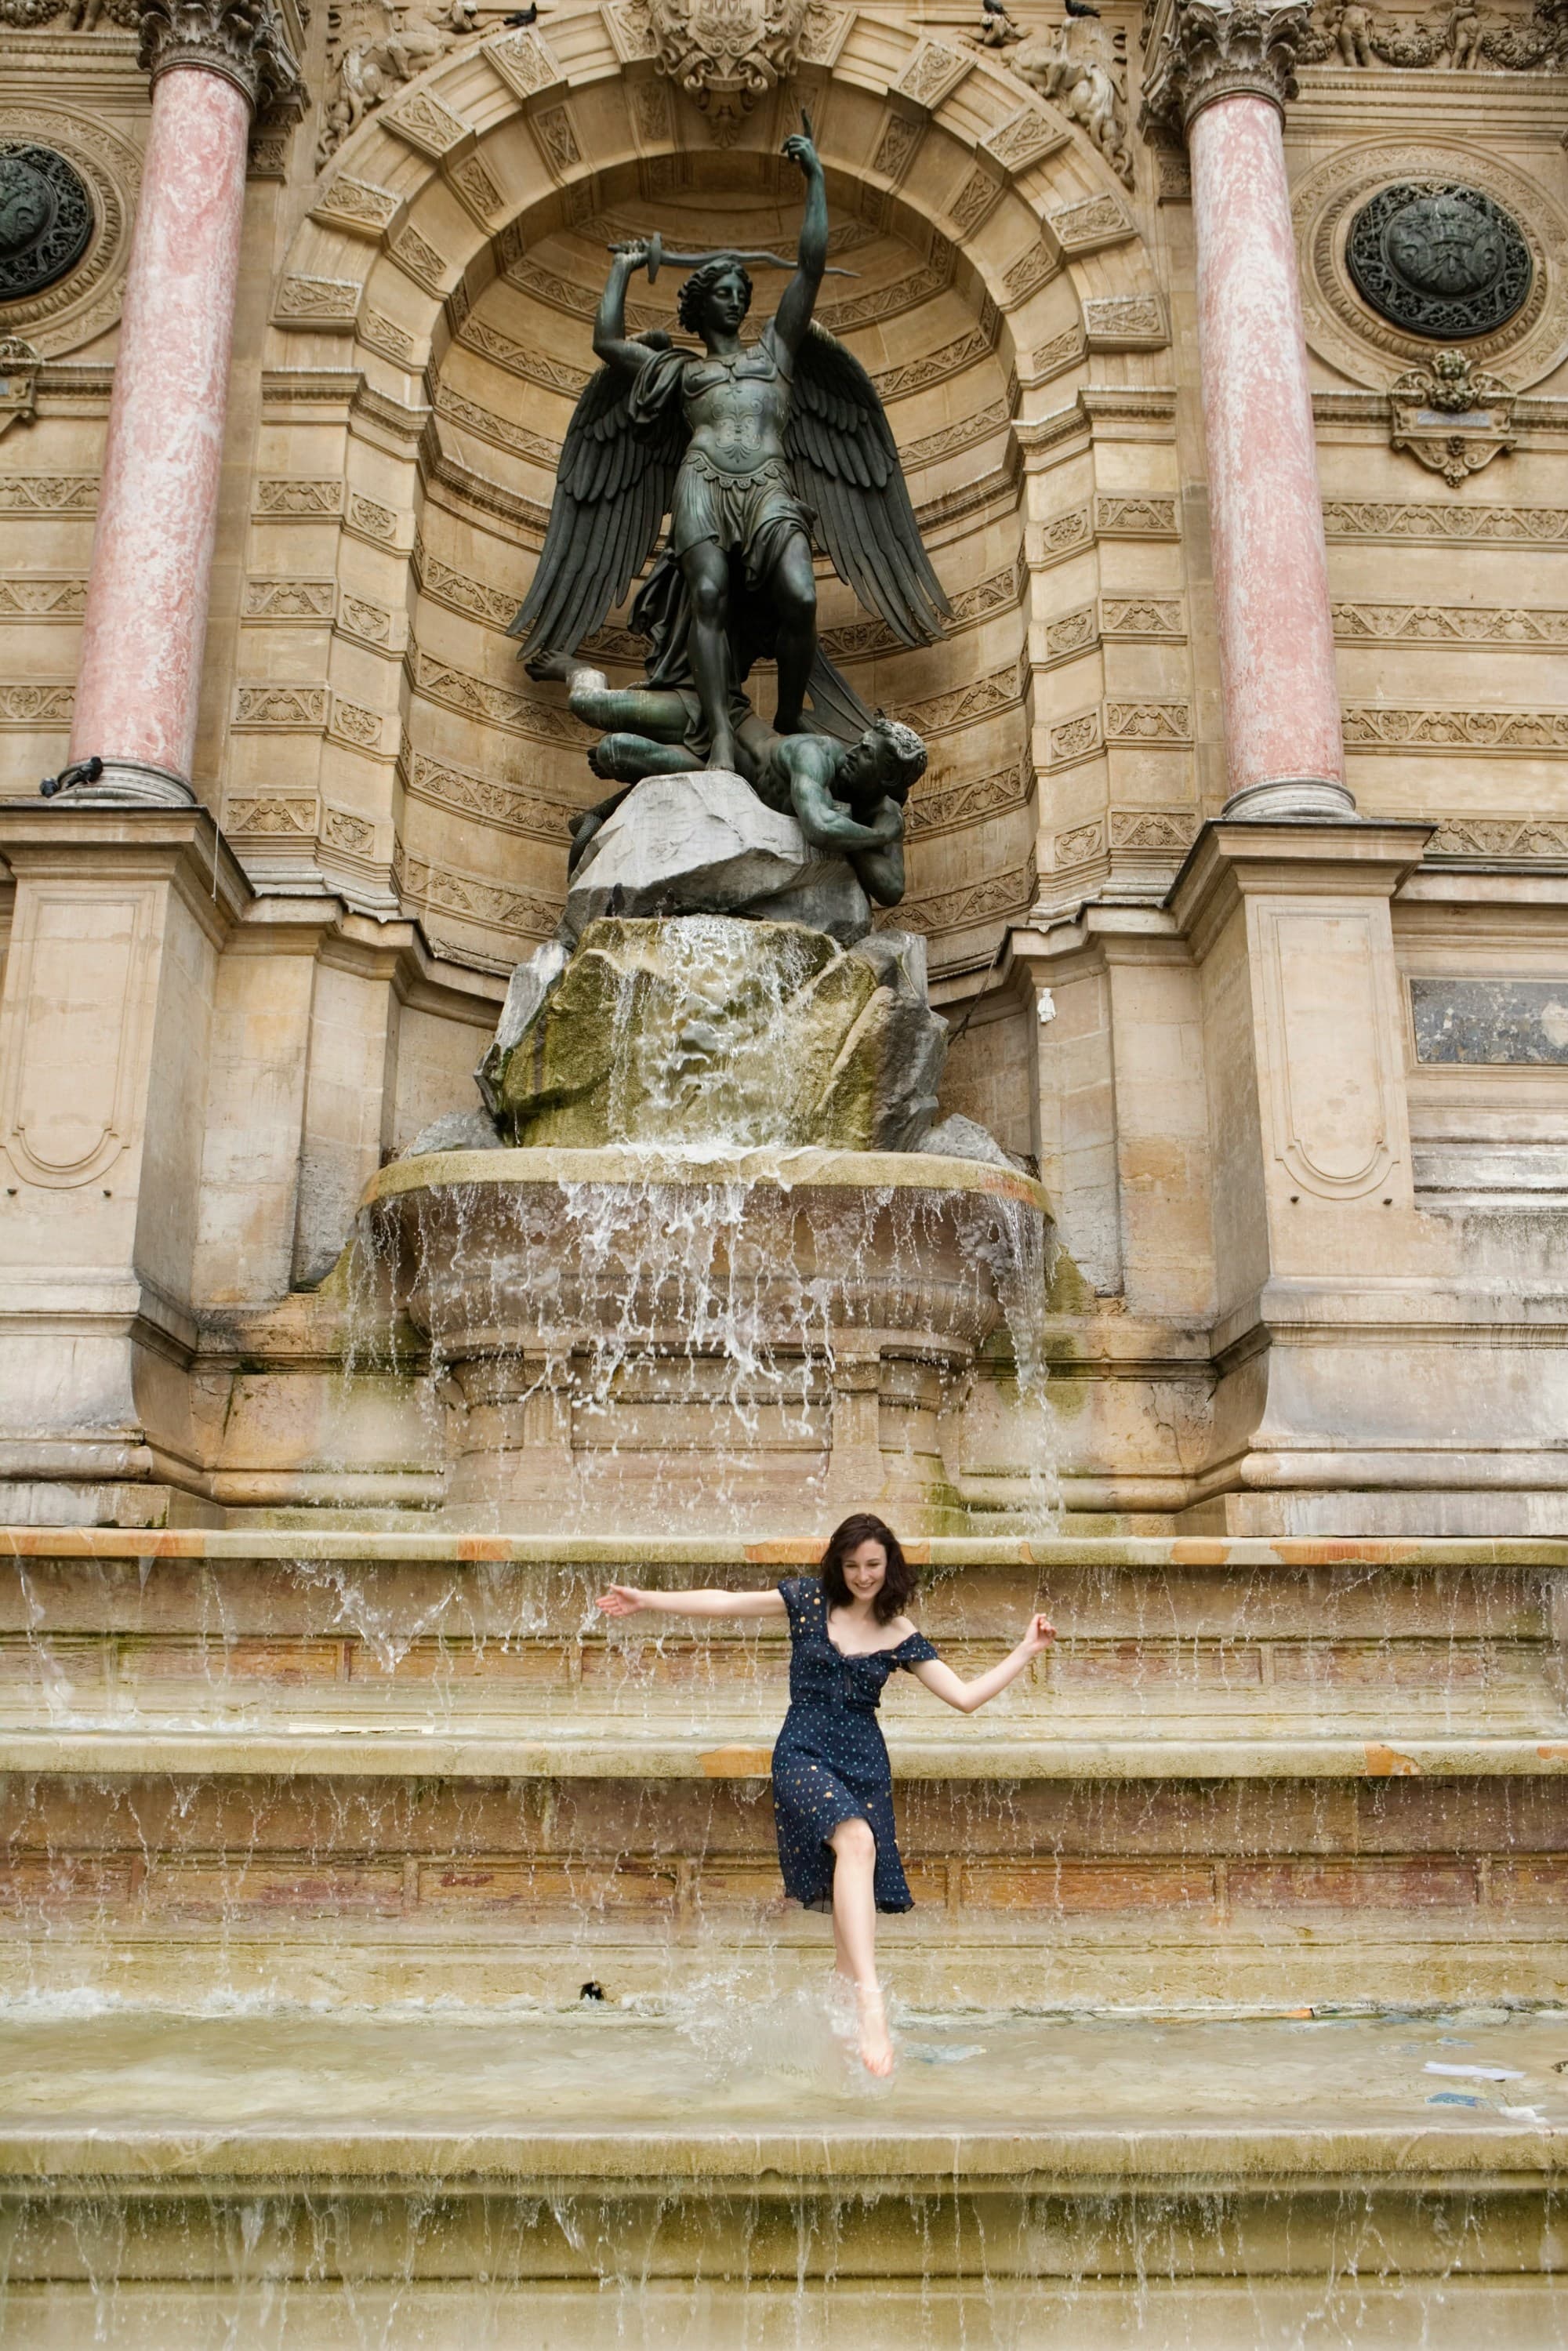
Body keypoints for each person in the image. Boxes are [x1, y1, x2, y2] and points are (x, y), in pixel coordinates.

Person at [597, 1512, 1054, 2076]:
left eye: (873, 1564)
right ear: (838, 1565)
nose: (863, 1575)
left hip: (863, 1765)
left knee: (849, 1911)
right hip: (802, 1752)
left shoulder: (899, 1633)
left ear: (889, 1568)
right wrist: (648, 1599)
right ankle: (871, 2007)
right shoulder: (808, 1601)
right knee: (856, 1842)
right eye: (853, 1564)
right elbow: (727, 1602)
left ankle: (844, 2051)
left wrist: (1025, 1651)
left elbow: (964, 1696)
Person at [588, 126, 828, 773]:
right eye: (723, 291)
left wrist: (815, 181)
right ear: (701, 306)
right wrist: (622, 269)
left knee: (802, 598)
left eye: (742, 292)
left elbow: (810, 266)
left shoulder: (775, 353)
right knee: (710, 598)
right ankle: (720, 733)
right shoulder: (682, 371)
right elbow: (608, 344)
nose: (737, 297)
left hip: (767, 484)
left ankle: (785, 714)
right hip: (702, 481)